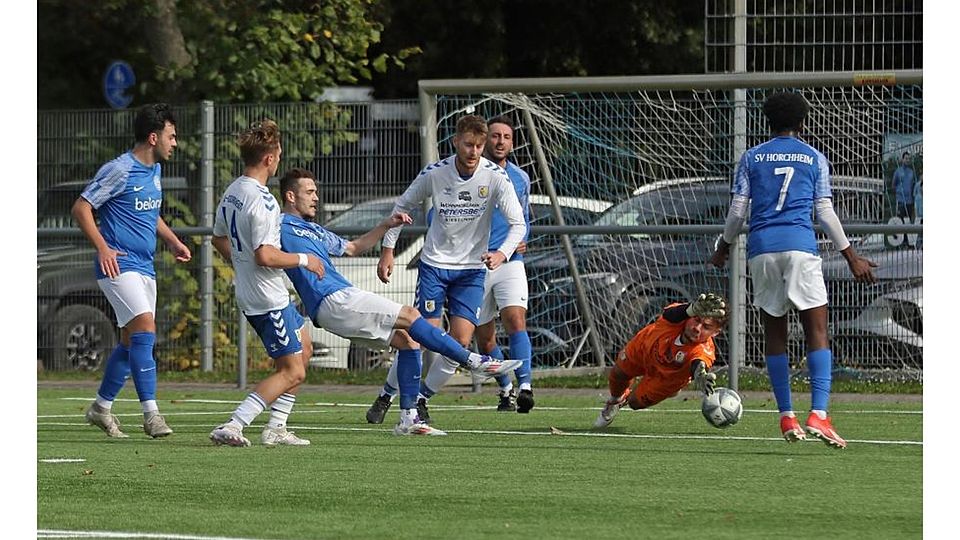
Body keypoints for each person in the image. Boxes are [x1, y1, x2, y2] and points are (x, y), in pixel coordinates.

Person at [278, 168, 519, 436]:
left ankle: (408, 418)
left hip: (340, 299)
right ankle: (473, 361)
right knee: (410, 315)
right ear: (291, 196)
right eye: (310, 192)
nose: (316, 198)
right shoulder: (278, 226)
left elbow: (354, 247)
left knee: (408, 341)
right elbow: (258, 252)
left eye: (316, 192)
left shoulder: (314, 229)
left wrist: (386, 225)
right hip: (332, 299)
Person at [709, 91, 877, 449]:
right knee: (816, 329)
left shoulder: (752, 157)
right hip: (800, 248)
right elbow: (825, 213)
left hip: (762, 251)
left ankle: (787, 415)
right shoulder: (814, 158)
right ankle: (818, 413)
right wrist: (851, 256)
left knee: (775, 333)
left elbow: (739, 210)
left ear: (767, 122)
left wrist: (723, 247)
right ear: (803, 123)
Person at [365, 114, 527, 426]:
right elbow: (401, 208)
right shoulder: (435, 174)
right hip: (435, 266)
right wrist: (387, 251)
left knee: (460, 345)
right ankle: (387, 394)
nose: (474, 151)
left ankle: (421, 399)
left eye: (480, 146)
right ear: (455, 142)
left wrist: (502, 253)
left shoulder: (495, 177)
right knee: (423, 338)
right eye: (469, 144)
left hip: (471, 271)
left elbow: (518, 223)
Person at [72, 103, 192, 439]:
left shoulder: (154, 171)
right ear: (153, 137)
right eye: (172, 136)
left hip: (145, 265)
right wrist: (102, 247)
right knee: (145, 330)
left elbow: (150, 213)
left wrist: (171, 240)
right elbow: (82, 207)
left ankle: (100, 407)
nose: (175, 142)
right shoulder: (119, 169)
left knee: (130, 342)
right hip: (117, 263)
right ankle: (151, 414)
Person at [208, 119, 326, 447]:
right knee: (293, 371)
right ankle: (235, 423)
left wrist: (243, 264)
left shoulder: (232, 191)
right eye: (279, 154)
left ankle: (277, 427)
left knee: (303, 351)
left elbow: (218, 239)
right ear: (269, 159)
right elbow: (266, 256)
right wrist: (305, 260)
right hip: (267, 297)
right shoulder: (263, 200)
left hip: (259, 292)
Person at [593, 293, 728, 428]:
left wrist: (699, 374)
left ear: (716, 332)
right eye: (696, 320)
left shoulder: (704, 351)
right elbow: (669, 314)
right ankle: (615, 401)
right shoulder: (680, 316)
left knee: (635, 403)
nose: (697, 328)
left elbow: (699, 362)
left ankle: (659, 393)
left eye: (706, 327)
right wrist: (692, 309)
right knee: (618, 374)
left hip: (666, 379)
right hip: (644, 348)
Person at [893, 151, 916, 220]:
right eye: (906, 158)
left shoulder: (911, 172)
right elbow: (893, 185)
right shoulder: (898, 171)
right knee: (900, 221)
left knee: (908, 221)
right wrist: (898, 193)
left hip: (909, 201)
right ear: (902, 159)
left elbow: (913, 185)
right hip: (901, 201)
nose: (907, 160)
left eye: (909, 159)